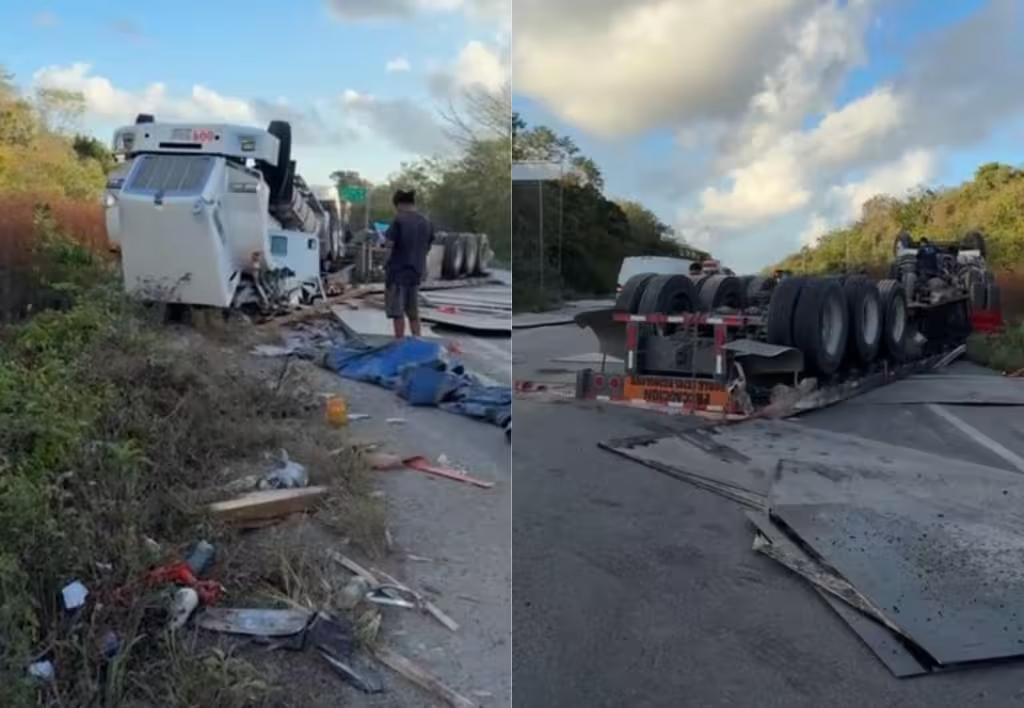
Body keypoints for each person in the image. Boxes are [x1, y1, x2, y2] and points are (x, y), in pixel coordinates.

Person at [383, 189, 434, 338]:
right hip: (416, 273)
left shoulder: (399, 220)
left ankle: (399, 343)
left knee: (397, 312)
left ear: (399, 204)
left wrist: (385, 264)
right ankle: (417, 340)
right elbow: (428, 246)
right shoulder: (426, 222)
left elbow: (389, 245)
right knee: (413, 312)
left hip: (398, 273)